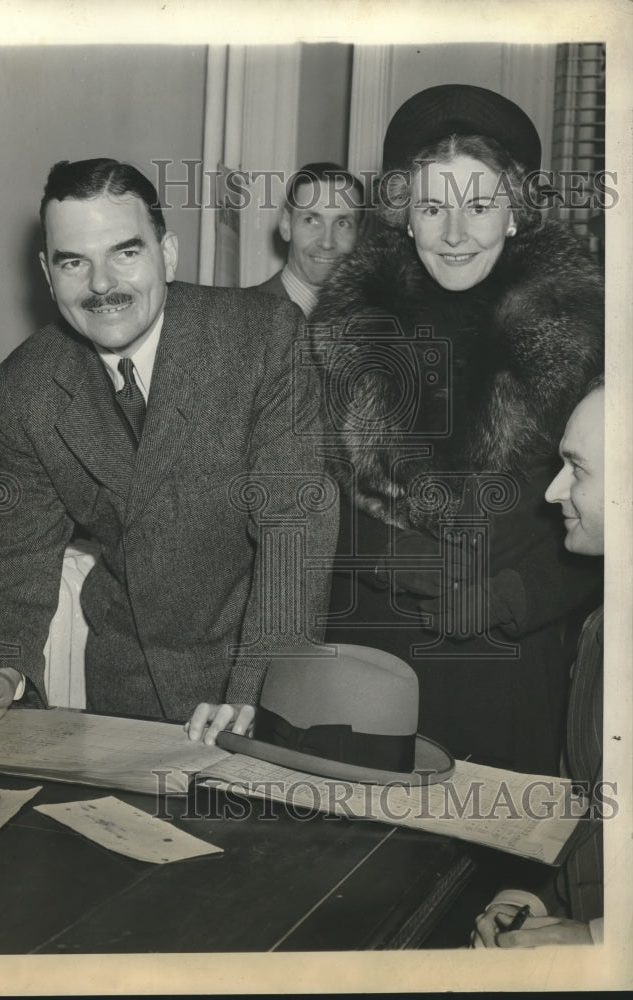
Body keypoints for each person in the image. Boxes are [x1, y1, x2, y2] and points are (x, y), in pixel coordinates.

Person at [0, 158, 336, 743]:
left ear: (167, 254)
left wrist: (258, 698)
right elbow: (21, 551)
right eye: (74, 261)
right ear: (48, 275)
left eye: (126, 253)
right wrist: (2, 668)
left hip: (252, 679)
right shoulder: (27, 386)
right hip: (126, 691)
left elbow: (295, 532)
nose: (101, 285)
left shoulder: (264, 337)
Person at [313, 85, 604, 774]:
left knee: (490, 861)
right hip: (369, 651)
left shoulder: (583, 330)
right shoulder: (346, 327)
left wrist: (512, 596)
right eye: (432, 207)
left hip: (504, 658)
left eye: (478, 207)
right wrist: (383, 554)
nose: (453, 233)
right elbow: (295, 483)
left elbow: (613, 508)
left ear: (513, 215)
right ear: (404, 219)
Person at [472, 377, 605, 947]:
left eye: (577, 470)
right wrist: (538, 901)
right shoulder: (602, 626)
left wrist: (595, 941)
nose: (552, 492)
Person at [251, 162, 364, 318]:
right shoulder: (239, 315)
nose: (327, 243)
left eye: (342, 224)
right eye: (311, 220)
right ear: (286, 225)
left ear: (360, 234)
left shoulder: (373, 326)